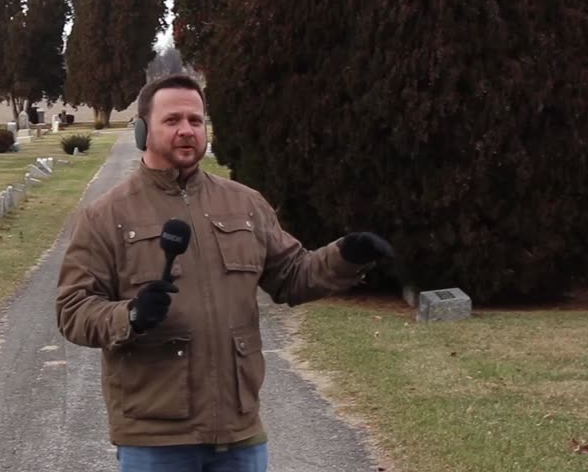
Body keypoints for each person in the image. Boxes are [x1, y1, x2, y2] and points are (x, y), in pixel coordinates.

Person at [56, 73, 394, 472]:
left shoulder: (244, 203)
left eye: (196, 121)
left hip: (239, 431)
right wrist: (127, 315)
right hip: (154, 438)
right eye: (173, 120)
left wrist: (345, 256)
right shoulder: (106, 216)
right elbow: (72, 310)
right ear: (144, 130)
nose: (187, 131)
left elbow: (292, 275)